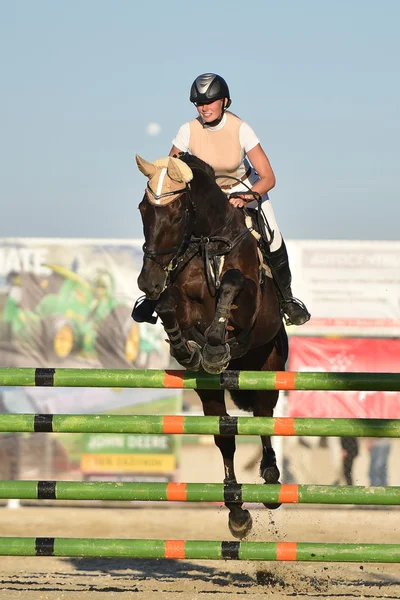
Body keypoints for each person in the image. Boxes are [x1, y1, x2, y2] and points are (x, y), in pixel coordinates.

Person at [133, 73, 310, 327]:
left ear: (225, 101)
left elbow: (269, 177)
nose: (204, 108)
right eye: (199, 104)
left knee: (272, 236)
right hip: (207, 199)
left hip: (244, 189)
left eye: (210, 102)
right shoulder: (187, 131)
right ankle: (153, 296)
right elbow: (169, 170)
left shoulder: (241, 129)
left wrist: (249, 195)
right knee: (176, 231)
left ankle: (287, 300)